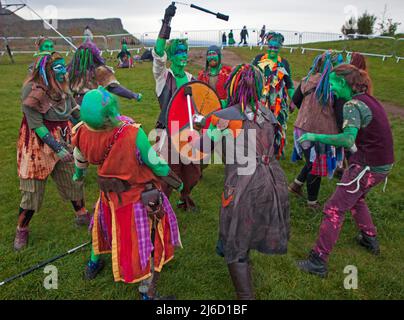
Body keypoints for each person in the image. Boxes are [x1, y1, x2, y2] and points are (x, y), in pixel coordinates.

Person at [72, 87, 183, 300]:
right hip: (136, 201)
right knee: (143, 244)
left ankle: (94, 263)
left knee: (105, 228)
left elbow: (80, 161)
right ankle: (146, 294)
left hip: (109, 198)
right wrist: (177, 183)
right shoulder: (133, 133)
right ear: (112, 110)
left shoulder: (81, 132)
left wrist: (78, 175)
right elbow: (156, 164)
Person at [195, 64, 290, 299]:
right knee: (251, 227)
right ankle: (247, 262)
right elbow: (274, 147)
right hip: (274, 181)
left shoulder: (224, 116)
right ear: (258, 87)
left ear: (233, 85)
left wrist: (206, 129)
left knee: (235, 244)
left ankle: (245, 298)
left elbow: (201, 150)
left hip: (244, 185)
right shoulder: (268, 113)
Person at [297, 64, 394, 277]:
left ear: (342, 82)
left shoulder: (352, 104)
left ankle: (318, 261)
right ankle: (369, 238)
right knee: (356, 199)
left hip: (367, 166)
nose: (329, 86)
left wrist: (315, 136)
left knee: (334, 208)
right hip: (382, 164)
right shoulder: (369, 99)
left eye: (331, 81)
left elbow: (347, 139)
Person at [14, 52, 88, 251]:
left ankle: (82, 215)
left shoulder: (63, 87)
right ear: (46, 71)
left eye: (64, 67)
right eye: (58, 68)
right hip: (37, 144)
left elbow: (74, 112)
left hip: (63, 136)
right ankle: (22, 229)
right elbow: (36, 125)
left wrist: (91, 124)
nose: (64, 71)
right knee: (32, 190)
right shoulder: (32, 90)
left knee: (72, 178)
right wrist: (56, 148)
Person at [152, 3, 201, 211]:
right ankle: (158, 206)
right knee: (167, 172)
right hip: (168, 131)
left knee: (193, 171)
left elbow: (196, 108)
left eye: (185, 51)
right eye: (178, 52)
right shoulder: (163, 77)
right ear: (171, 56)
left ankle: (184, 197)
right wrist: (166, 21)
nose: (183, 55)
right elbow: (158, 51)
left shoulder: (191, 79)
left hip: (188, 131)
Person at [288, 51, 345, 209]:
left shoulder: (307, 79)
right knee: (316, 166)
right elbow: (340, 114)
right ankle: (312, 202)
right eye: (339, 62)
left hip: (302, 129)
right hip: (321, 134)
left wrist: (309, 109)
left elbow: (293, 104)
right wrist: (343, 133)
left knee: (311, 161)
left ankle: (295, 185)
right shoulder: (335, 85)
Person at [252, 32, 295, 159]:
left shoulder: (284, 63)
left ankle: (275, 154)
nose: (272, 49)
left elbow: (290, 84)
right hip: (261, 101)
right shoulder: (259, 59)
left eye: (276, 47)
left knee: (277, 127)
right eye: (270, 46)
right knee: (259, 125)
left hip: (278, 104)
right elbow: (250, 77)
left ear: (280, 47)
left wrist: (293, 101)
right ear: (267, 45)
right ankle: (258, 151)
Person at [68, 35, 142, 105]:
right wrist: (133, 95)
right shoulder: (99, 70)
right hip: (95, 104)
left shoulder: (72, 70)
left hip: (76, 105)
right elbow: (115, 88)